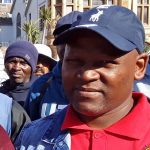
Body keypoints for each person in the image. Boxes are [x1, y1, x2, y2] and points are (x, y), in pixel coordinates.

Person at [15, 5, 150, 149]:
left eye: (104, 63)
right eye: (74, 61)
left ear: (139, 67)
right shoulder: (32, 138)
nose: (86, 75)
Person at [24, 11, 81, 120]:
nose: (67, 45)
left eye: (74, 38)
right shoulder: (40, 86)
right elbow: (29, 129)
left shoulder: (100, 83)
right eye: (62, 38)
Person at [0, 40, 38, 106]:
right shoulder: (1, 93)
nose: (17, 68)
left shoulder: (39, 93)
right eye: (12, 62)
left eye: (23, 63)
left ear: (32, 67)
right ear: (5, 64)